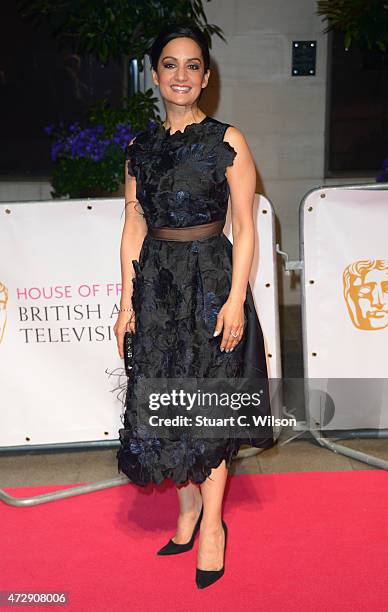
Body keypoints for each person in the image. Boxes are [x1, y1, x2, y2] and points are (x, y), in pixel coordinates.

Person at [114, 23, 275, 589]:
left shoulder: (228, 139)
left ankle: (212, 526)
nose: (181, 75)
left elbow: (246, 226)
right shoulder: (140, 148)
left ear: (207, 78)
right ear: (156, 74)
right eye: (170, 65)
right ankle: (185, 512)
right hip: (157, 284)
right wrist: (126, 304)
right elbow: (133, 225)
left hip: (209, 279)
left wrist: (236, 297)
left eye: (192, 66)